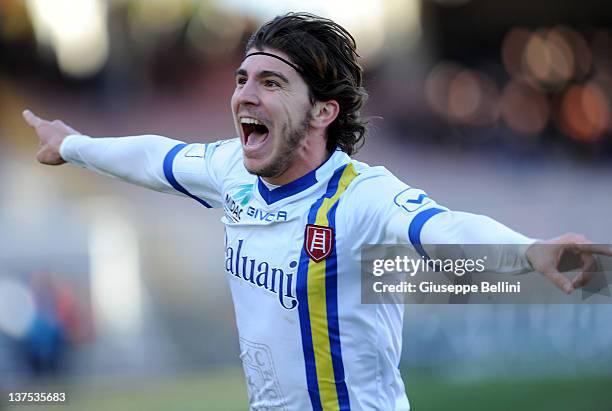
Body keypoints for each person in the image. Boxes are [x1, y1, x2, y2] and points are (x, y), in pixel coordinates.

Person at [24, 12, 611, 411]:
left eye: (272, 82)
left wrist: (528, 252)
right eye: (243, 78)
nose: (245, 95)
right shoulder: (232, 170)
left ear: (324, 111)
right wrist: (73, 144)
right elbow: (157, 157)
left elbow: (443, 229)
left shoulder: (360, 197)